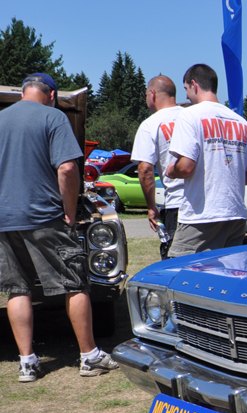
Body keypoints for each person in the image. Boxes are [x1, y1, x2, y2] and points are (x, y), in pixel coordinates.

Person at [0, 73, 118, 383]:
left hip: (4, 220)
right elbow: (67, 168)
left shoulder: (1, 119)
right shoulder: (53, 117)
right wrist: (68, 212)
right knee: (75, 282)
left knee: (17, 289)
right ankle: (89, 355)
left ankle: (27, 362)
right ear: (51, 94)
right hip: (44, 216)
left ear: (22, 93)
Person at [164, 64, 247, 257]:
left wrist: (171, 170)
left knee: (181, 272)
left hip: (202, 215)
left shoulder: (190, 115)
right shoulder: (241, 122)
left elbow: (186, 167)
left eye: (186, 89)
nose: (186, 96)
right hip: (235, 214)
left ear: (194, 84)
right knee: (226, 275)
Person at [131, 75, 183, 259]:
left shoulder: (151, 124)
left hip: (177, 204)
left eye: (146, 94)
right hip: (205, 204)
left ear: (152, 94)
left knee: (175, 262)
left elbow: (145, 170)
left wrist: (151, 206)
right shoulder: (191, 117)